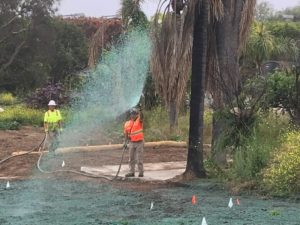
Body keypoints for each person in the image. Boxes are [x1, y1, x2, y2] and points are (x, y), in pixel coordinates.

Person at [123, 106, 144, 177]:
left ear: (137, 115)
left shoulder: (139, 121)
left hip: (139, 142)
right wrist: (125, 143)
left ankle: (141, 172)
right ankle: (131, 172)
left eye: (135, 114)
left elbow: (142, 117)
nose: (134, 115)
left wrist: (141, 111)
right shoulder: (127, 123)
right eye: (132, 114)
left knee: (139, 158)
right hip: (131, 142)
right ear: (130, 115)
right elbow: (126, 134)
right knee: (131, 158)